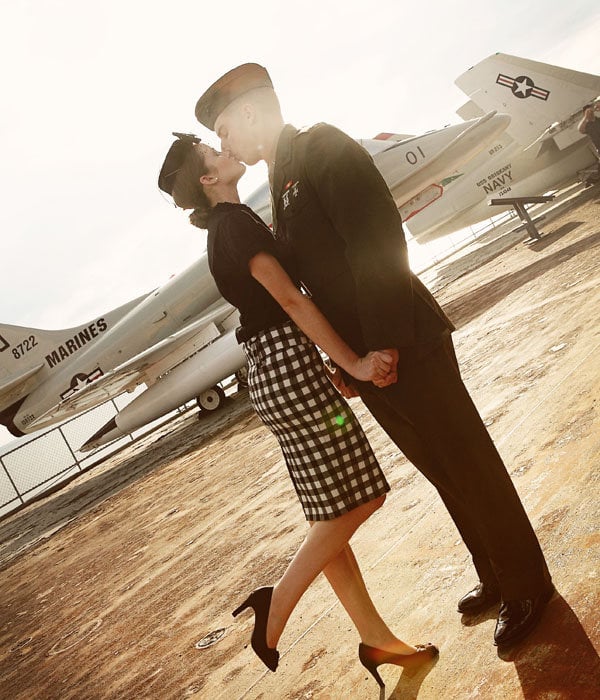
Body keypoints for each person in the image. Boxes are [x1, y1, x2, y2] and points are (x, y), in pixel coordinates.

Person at [193, 63, 554, 650]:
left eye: (225, 129)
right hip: (373, 360)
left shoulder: (321, 147)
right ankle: (495, 573)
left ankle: (528, 585)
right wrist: (346, 362)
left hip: (405, 342)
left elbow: (378, 240)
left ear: (251, 113)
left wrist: (383, 340)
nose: (225, 142)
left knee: (468, 461)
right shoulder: (286, 175)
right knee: (442, 470)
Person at [157, 133, 438, 690]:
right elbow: (291, 300)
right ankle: (275, 606)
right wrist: (353, 361)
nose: (222, 147)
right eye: (209, 151)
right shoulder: (234, 226)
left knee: (328, 514)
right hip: (287, 366)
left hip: (276, 369)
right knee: (362, 497)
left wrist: (329, 361)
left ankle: (378, 641)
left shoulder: (224, 227)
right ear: (207, 179)